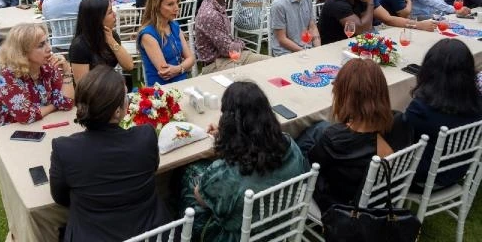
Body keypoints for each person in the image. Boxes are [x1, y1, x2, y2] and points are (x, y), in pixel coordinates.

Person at [50, 65, 171, 241]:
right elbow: (153, 169)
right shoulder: (145, 136)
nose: (128, 100)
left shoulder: (65, 149)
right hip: (152, 234)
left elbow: (60, 197)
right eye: (125, 96)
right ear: (116, 111)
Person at [181, 81, 308, 241]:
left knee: (189, 173)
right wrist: (231, 137)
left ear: (229, 121)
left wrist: (227, 140)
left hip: (236, 236)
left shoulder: (229, 173)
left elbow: (201, 197)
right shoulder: (291, 147)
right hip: (279, 227)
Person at [307, 58, 413, 213]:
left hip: (342, 206)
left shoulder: (335, 138)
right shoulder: (400, 122)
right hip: (381, 195)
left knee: (303, 146)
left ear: (345, 96)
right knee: (317, 130)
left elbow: (312, 167)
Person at [404, 39, 482, 189]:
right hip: (458, 170)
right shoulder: (476, 102)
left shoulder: (422, 109)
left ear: (429, 69)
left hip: (423, 177)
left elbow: (404, 141)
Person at [0, 23, 74, 127]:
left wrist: (67, 72)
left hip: (43, 123)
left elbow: (67, 103)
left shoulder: (48, 66)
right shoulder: (9, 75)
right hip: (12, 130)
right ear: (22, 52)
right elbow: (25, 116)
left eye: (47, 41)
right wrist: (54, 105)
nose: (49, 48)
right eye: (41, 45)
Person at [195, 0, 268, 74]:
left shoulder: (216, 3)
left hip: (230, 57)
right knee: (254, 75)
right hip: (216, 64)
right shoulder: (210, 15)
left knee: (269, 62)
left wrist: (236, 43)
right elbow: (228, 50)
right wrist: (240, 43)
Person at [137, 0, 195, 85]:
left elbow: (191, 59)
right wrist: (183, 67)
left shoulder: (174, 25)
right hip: (162, 90)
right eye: (170, 4)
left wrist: (178, 68)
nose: (176, 8)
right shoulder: (148, 35)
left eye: (177, 3)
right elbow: (165, 72)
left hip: (182, 82)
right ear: (157, 6)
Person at [69, 0, 133, 82]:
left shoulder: (111, 36)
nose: (115, 14)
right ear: (97, 19)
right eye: (110, 12)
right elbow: (82, 85)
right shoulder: (79, 46)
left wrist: (111, 41)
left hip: (110, 87)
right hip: (95, 92)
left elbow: (129, 65)